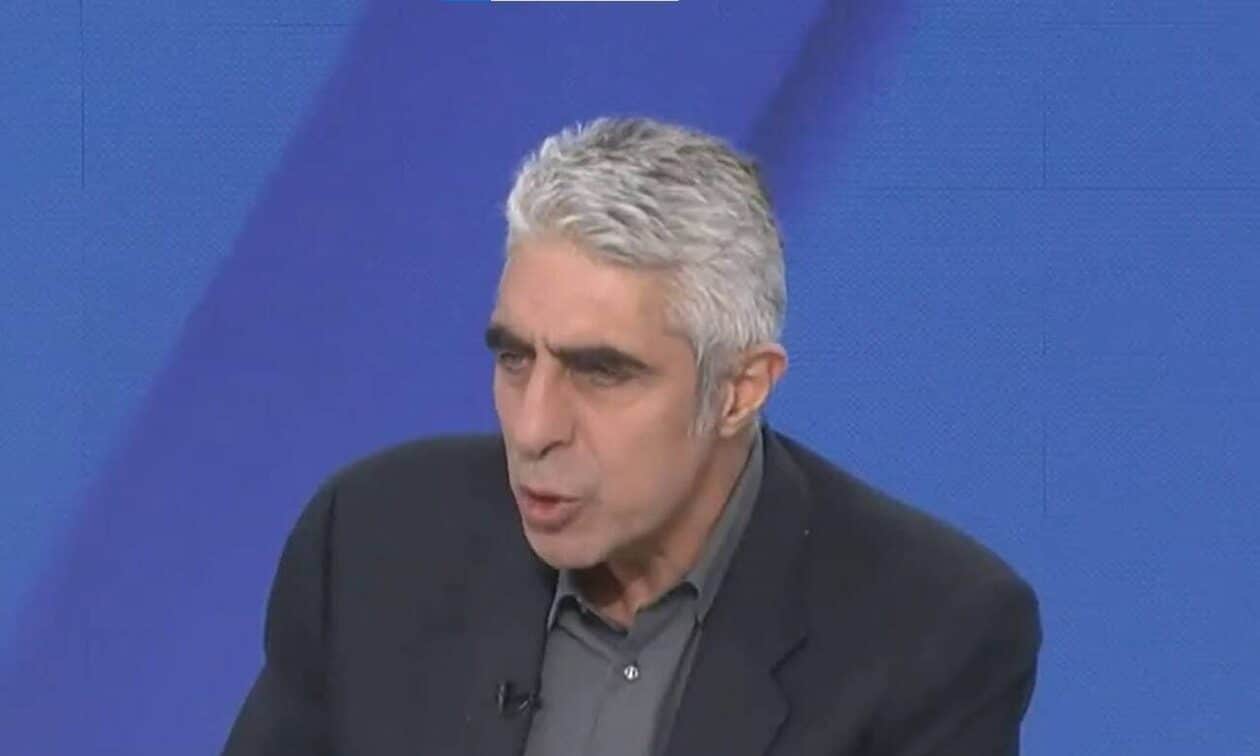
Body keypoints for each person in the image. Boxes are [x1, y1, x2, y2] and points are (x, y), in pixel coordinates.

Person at [222, 117, 1041, 756]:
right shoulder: (373, 540)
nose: (533, 428)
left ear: (739, 390)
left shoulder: (929, 632)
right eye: (514, 358)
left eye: (601, 372)